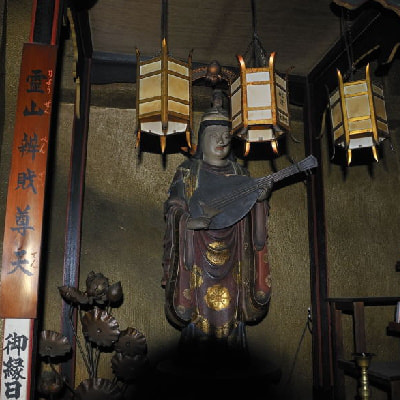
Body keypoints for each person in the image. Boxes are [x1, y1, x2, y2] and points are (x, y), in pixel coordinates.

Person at [161, 91, 272, 361]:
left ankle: (234, 359)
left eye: (226, 135)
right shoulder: (188, 172)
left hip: (235, 257)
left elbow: (253, 219)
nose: (221, 140)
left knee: (232, 308)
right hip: (197, 256)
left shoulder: (241, 173)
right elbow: (173, 208)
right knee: (199, 310)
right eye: (214, 135)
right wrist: (188, 223)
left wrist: (260, 201)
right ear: (202, 140)